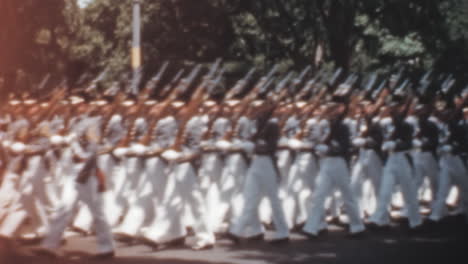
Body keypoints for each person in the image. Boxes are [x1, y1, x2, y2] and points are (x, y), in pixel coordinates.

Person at [35, 122, 115, 259]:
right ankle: (50, 245)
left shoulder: (94, 138)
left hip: (87, 179)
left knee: (97, 213)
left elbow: (91, 157)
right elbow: (62, 148)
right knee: (63, 209)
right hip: (72, 178)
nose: (82, 132)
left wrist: (90, 139)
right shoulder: (73, 138)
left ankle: (107, 248)